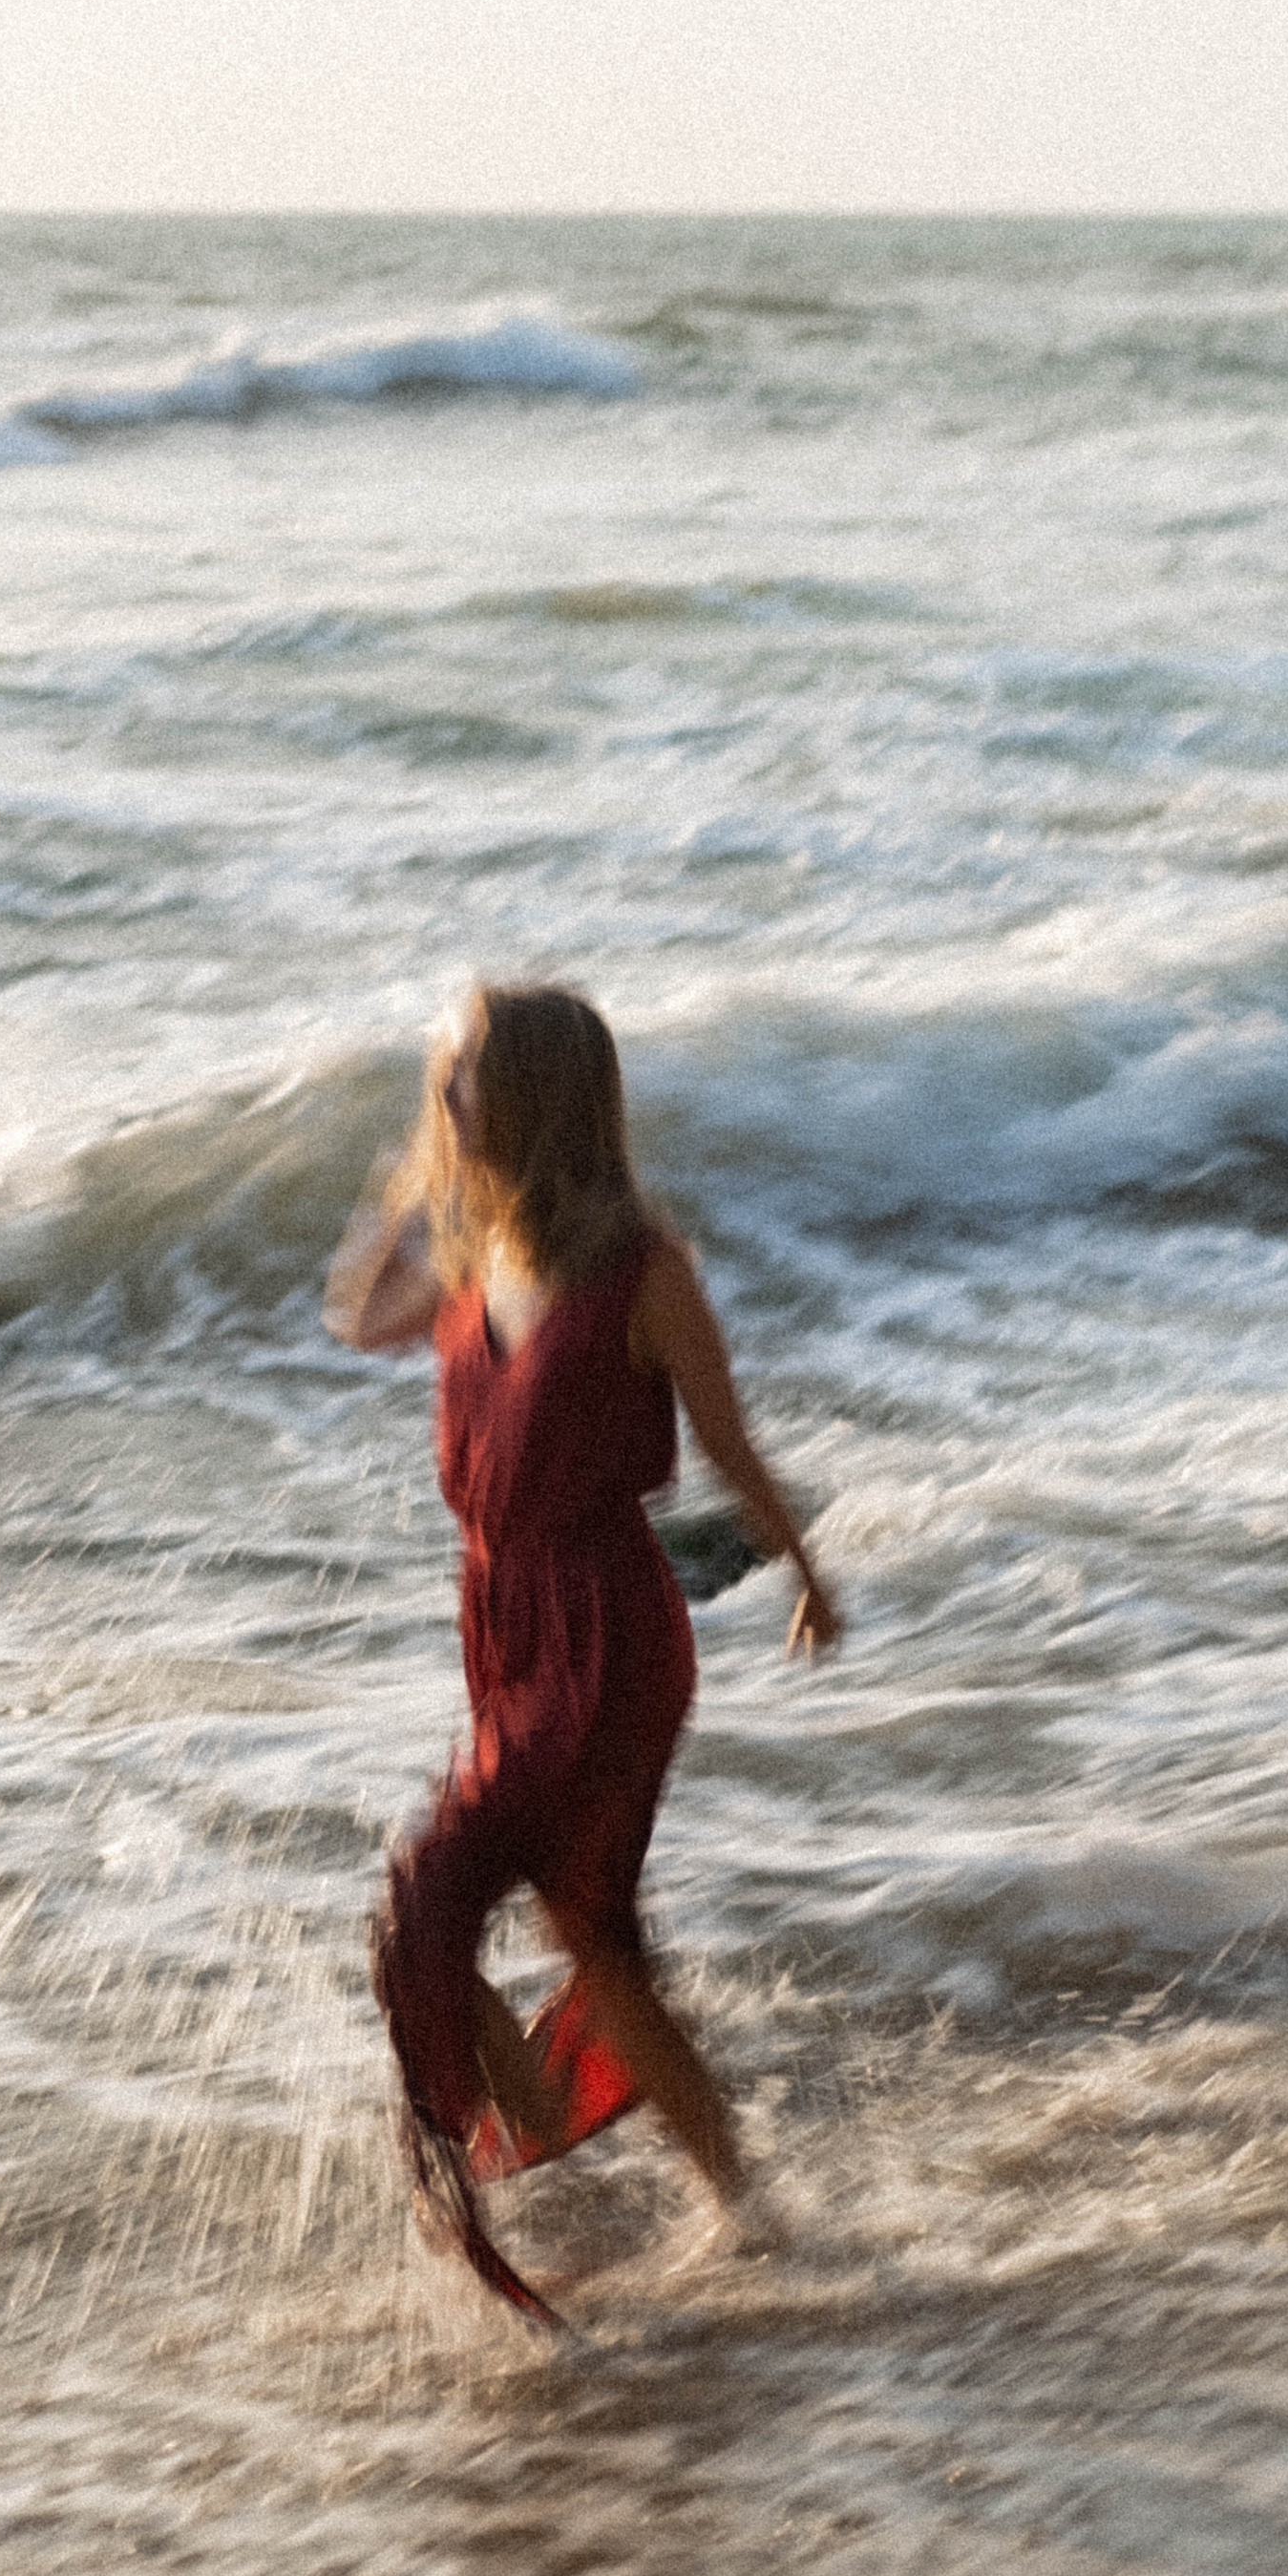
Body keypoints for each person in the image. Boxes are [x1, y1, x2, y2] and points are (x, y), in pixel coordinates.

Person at [324, 982, 841, 2319]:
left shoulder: (639, 1264)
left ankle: (515, 2194)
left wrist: (804, 1568)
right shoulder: (470, 1252)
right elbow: (357, 1313)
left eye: (465, 1077)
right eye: (440, 1076)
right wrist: (412, 1165)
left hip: (608, 1632)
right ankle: (740, 2201)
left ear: (541, 1093)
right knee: (594, 1939)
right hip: (502, 1623)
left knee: (428, 1901)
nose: (444, 1098)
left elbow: (724, 1438)